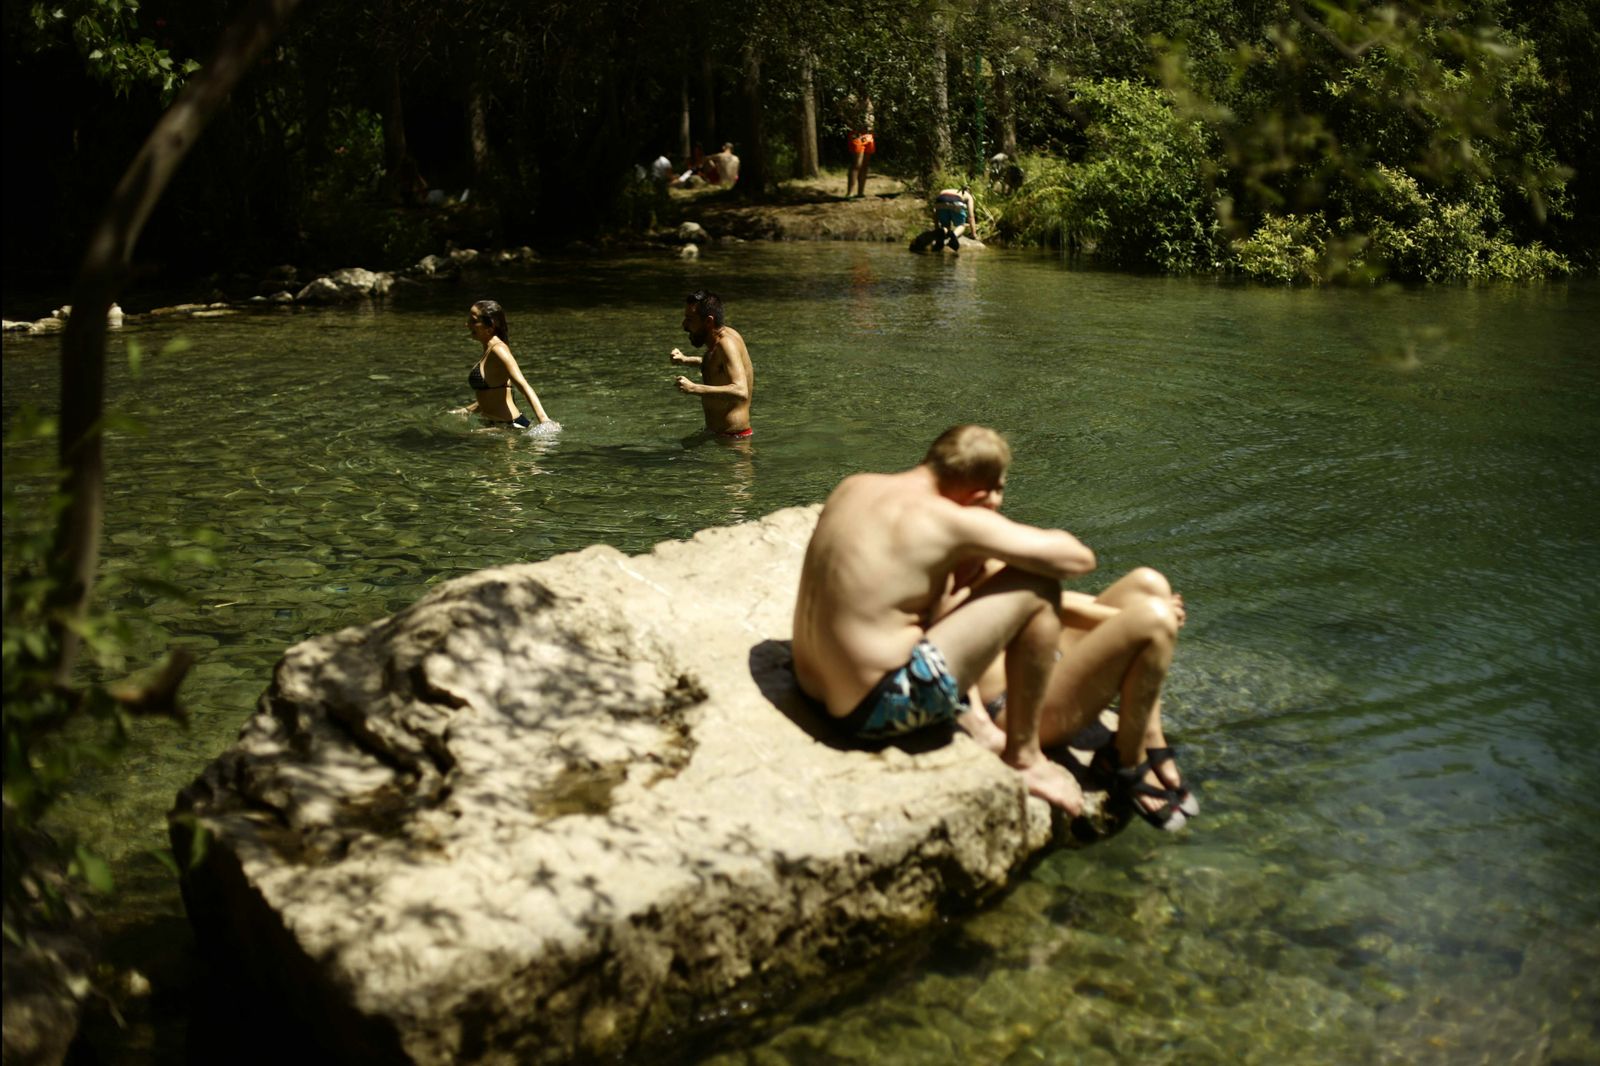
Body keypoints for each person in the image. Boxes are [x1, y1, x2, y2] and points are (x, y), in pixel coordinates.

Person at [791, 425, 1091, 812]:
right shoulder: (948, 519)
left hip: (808, 682)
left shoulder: (855, 484)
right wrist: (985, 529)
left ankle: (974, 719)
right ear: (980, 495)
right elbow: (1077, 559)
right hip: (873, 709)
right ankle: (1025, 758)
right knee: (1038, 585)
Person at [970, 563, 1198, 830]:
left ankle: (1150, 734)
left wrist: (1140, 614)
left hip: (1047, 656)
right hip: (1016, 706)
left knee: (1148, 585)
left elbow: (1052, 598)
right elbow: (1037, 600)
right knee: (1154, 618)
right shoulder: (958, 550)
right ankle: (1124, 759)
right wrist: (1140, 619)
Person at [670, 291, 753, 437]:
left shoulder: (727, 344)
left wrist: (694, 388)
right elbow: (718, 366)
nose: (684, 325)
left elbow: (741, 391)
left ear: (708, 321)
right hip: (720, 435)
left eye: (689, 319)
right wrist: (685, 360)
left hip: (734, 439)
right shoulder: (722, 338)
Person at [462, 299, 556, 429]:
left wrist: (544, 419)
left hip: (509, 425)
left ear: (490, 327)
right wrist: (467, 410)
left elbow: (523, 385)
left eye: (473, 321)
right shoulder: (490, 350)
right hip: (494, 424)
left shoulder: (498, 350)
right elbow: (494, 395)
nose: (467, 324)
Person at [932, 185, 977, 250]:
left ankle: (941, 234)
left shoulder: (945, 191)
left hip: (941, 200)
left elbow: (935, 211)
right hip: (956, 201)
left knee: (945, 226)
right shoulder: (968, 196)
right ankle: (953, 237)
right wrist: (973, 234)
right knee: (961, 225)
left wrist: (936, 228)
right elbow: (971, 216)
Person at [847, 130, 875, 198]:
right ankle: (850, 193)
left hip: (869, 135)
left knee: (865, 165)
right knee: (857, 164)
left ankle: (860, 193)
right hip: (856, 134)